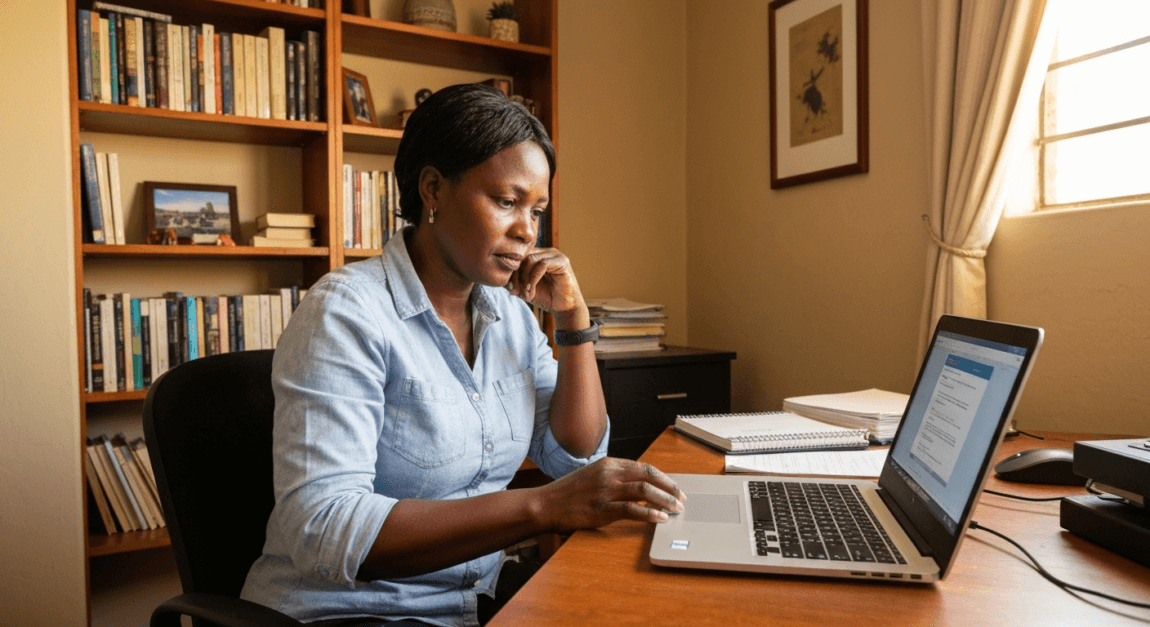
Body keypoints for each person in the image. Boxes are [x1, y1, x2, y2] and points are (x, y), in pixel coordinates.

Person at [241, 83, 686, 627]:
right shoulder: (345, 313)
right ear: (433, 189)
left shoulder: (512, 316)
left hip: (471, 601)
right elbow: (326, 530)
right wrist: (541, 507)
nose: (527, 231)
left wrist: (572, 321)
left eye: (537, 210)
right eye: (506, 202)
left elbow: (575, 458)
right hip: (348, 611)